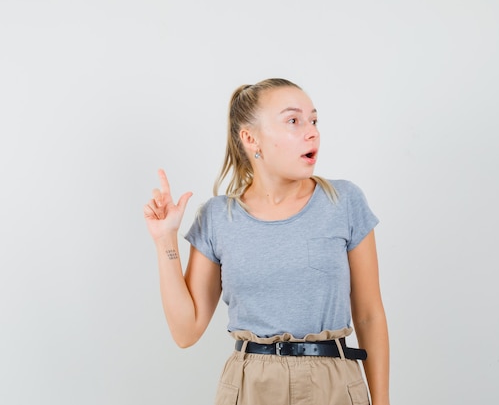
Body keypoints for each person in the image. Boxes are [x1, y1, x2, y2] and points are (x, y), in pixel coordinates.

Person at [143, 78, 390, 405]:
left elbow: (369, 315)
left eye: (313, 120)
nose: (312, 131)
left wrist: (382, 402)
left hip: (334, 384)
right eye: (293, 121)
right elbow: (186, 332)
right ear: (251, 139)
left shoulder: (343, 202)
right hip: (250, 386)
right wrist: (165, 240)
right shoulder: (218, 218)